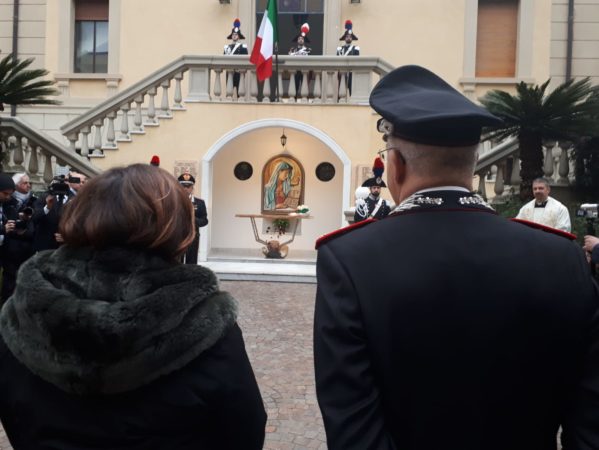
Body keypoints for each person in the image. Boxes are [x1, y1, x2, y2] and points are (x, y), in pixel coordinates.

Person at [313, 65, 599, 450]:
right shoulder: (560, 257)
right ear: (472, 163)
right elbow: (590, 421)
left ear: (395, 166)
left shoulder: (350, 259)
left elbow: (353, 428)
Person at [0, 164, 266, 450]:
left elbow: (14, 408)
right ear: (175, 226)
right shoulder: (203, 318)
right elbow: (244, 426)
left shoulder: (25, 309)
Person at [1, 173, 36, 301]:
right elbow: (7, 225)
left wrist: (25, 221)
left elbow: (32, 226)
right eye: (25, 183)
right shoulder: (8, 203)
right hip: (9, 251)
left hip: (27, 250)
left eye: (29, 183)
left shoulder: (34, 200)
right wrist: (8, 230)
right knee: (9, 285)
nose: (28, 186)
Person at [178, 170, 208, 265]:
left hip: (193, 236)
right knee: (177, 262)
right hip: (177, 237)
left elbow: (204, 220)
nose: (186, 189)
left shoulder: (199, 203)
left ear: (192, 188)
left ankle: (190, 279)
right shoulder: (174, 201)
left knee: (191, 262)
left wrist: (193, 219)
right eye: (183, 186)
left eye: (188, 186)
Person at [354, 156, 391, 222]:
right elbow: (357, 221)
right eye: (374, 187)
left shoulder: (385, 204)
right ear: (370, 189)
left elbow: (388, 221)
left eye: (378, 188)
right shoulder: (363, 203)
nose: (376, 189)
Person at [223, 18, 248, 95]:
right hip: (230, 72)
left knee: (239, 92)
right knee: (229, 92)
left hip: (238, 72)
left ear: (239, 36)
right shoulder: (227, 47)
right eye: (233, 35)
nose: (234, 36)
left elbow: (245, 60)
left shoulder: (243, 47)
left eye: (236, 35)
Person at [336, 20, 359, 94]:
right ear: (344, 38)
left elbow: (357, 60)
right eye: (347, 37)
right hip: (342, 70)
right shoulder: (340, 49)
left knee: (351, 89)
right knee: (341, 89)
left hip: (351, 71)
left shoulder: (355, 48)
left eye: (350, 37)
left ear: (352, 39)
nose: (348, 38)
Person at [289, 23, 312, 96]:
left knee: (305, 87)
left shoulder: (308, 50)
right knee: (294, 87)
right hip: (295, 71)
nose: (300, 40)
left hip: (304, 70)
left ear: (304, 40)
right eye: (299, 38)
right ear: (297, 40)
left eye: (302, 39)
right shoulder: (293, 50)